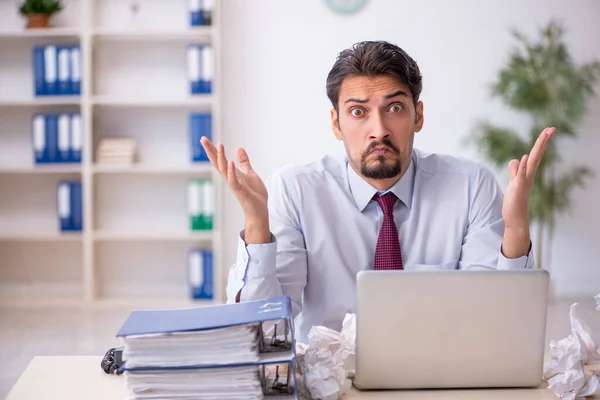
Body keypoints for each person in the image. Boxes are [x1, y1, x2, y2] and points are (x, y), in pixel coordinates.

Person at [200, 40, 554, 343]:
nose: (378, 130)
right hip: (332, 384)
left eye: (395, 108)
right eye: (358, 112)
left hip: (438, 378)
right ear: (336, 123)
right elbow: (263, 330)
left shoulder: (469, 184)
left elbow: (496, 323)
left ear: (418, 116)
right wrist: (257, 224)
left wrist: (517, 229)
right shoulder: (296, 189)